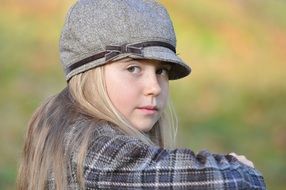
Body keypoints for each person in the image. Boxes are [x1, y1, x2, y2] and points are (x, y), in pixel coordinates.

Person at [17, 0, 266, 189]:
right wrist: (239, 170)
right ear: (89, 75)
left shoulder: (60, 126)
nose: (155, 87)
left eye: (161, 71)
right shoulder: (89, 146)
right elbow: (232, 182)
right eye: (133, 68)